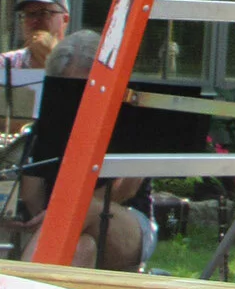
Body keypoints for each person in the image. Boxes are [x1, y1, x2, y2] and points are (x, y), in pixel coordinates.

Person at [19, 32, 157, 269]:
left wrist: (61, 213)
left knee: (85, 207)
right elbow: (32, 194)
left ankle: (21, 287)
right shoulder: (48, 124)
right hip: (57, 223)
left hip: (126, 218)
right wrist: (48, 216)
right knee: (82, 248)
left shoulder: (131, 116)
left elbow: (126, 188)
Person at [1, 0, 70, 72]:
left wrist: (53, 57)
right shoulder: (5, 62)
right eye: (28, 14)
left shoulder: (80, 62)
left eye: (44, 13)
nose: (34, 20)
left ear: (65, 19)